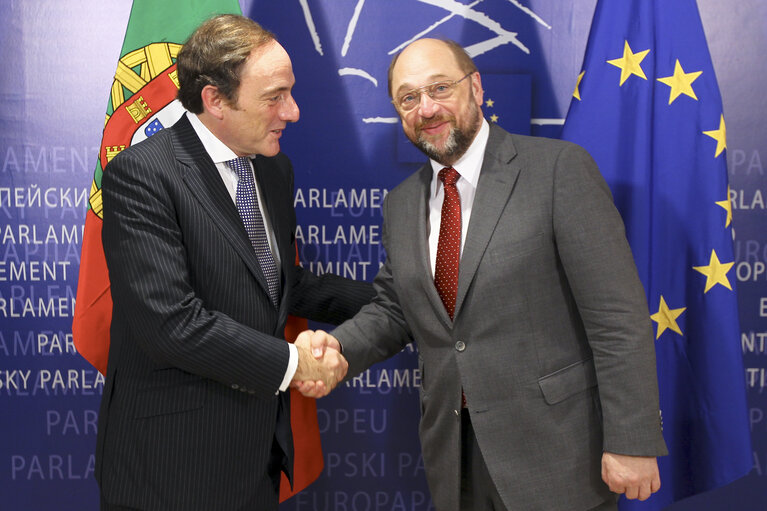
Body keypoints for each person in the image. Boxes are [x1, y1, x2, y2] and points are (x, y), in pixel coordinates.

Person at [298, 38, 668, 511]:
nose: (426, 108)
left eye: (440, 88)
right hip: (455, 460)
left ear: (475, 87)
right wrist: (341, 350)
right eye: (408, 97)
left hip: (557, 457)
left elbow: (617, 318)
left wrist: (632, 439)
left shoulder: (557, 170)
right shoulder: (402, 202)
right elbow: (397, 309)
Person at [96, 14, 373, 511]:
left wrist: (400, 300)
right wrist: (295, 363)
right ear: (215, 100)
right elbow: (170, 324)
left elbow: (277, 283)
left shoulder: (273, 167)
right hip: (170, 471)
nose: (293, 112)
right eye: (274, 96)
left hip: (256, 463)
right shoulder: (142, 175)